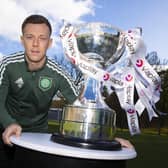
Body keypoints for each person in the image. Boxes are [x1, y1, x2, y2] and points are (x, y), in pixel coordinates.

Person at [0, 14, 134, 164]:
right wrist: (9, 123)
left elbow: (82, 106)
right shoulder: (8, 65)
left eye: (42, 38)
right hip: (5, 130)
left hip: (36, 137)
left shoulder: (58, 73)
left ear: (50, 43)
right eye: (30, 37)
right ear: (22, 40)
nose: (36, 44)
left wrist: (104, 137)